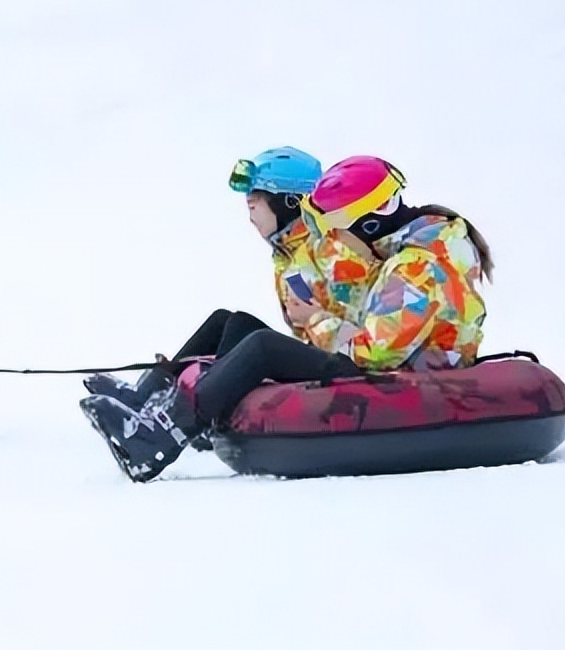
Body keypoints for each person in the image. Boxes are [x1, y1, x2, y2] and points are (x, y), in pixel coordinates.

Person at [81, 155, 494, 482]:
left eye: (335, 228)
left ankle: (157, 438)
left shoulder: (420, 265)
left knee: (263, 347)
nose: (331, 240)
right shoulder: (405, 253)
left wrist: (315, 321)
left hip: (402, 375)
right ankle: (154, 405)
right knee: (238, 324)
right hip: (389, 358)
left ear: (370, 221)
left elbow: (375, 354)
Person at [83, 147, 322, 412]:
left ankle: (189, 413)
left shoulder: (325, 253)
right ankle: (148, 397)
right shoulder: (290, 254)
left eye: (257, 198)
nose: (250, 207)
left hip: (336, 363)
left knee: (255, 339)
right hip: (316, 349)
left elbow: (349, 328)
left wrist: (314, 319)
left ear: (290, 202)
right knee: (227, 321)